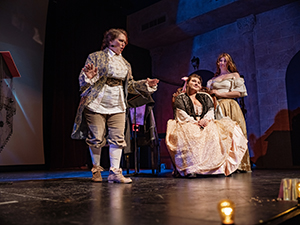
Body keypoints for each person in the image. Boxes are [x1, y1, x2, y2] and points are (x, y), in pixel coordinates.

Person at [71, 28, 159, 183]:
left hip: (117, 103)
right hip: (97, 101)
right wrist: (88, 77)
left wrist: (146, 84)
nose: (123, 44)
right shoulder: (96, 56)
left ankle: (114, 172)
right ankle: (96, 169)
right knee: (97, 137)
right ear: (110, 40)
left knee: (118, 137)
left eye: (125, 42)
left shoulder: (125, 63)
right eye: (120, 40)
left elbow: (130, 85)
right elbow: (83, 79)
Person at [165, 74, 248, 177]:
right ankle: (192, 169)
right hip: (187, 122)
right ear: (188, 84)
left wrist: (206, 120)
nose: (196, 84)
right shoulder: (181, 97)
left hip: (205, 121)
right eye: (194, 81)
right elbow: (181, 113)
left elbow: (210, 110)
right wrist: (194, 122)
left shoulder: (205, 96)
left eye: (199, 83)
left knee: (215, 131)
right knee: (190, 133)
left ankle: (217, 168)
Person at [207, 53, 251, 172]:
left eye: (225, 61)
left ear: (229, 63)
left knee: (236, 134)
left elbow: (239, 93)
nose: (222, 63)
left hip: (231, 105)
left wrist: (220, 93)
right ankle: (223, 165)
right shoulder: (212, 80)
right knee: (221, 135)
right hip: (218, 107)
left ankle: (239, 164)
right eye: (220, 60)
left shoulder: (234, 75)